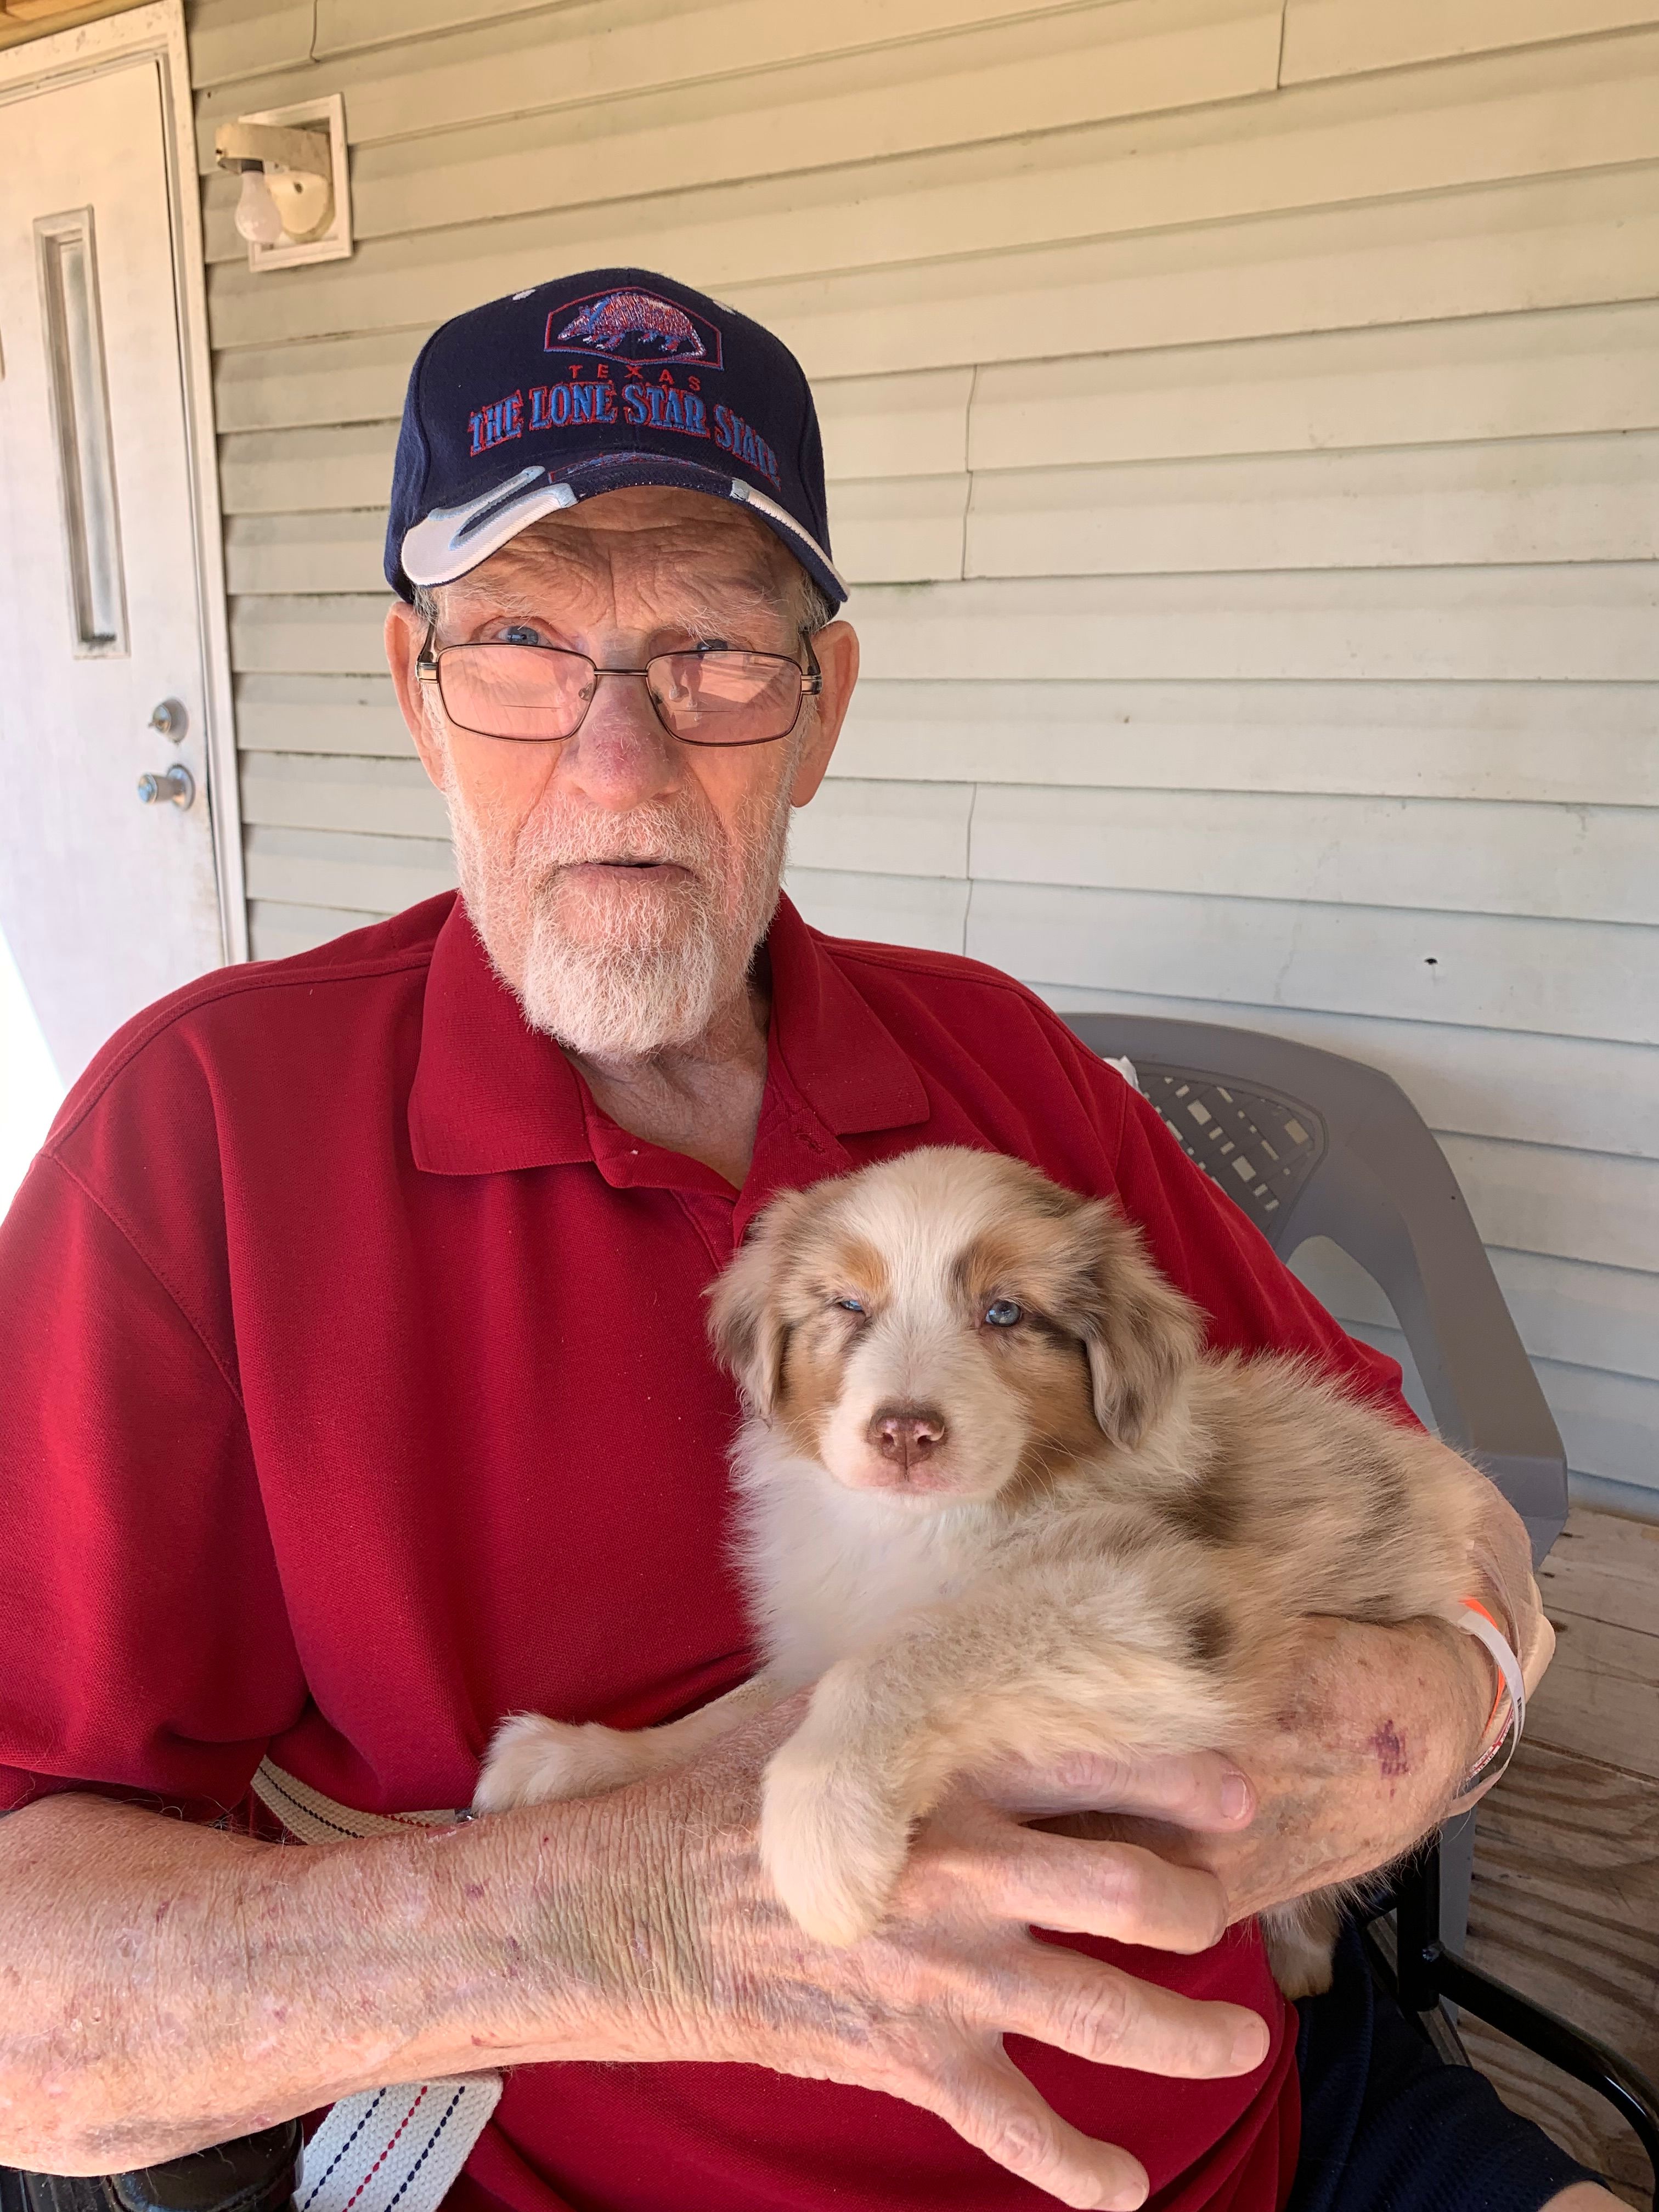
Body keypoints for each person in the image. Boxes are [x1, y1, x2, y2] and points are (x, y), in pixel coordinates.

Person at [0, 268, 1612, 2212]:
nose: (616, 757)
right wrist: (626, 1918)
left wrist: (1446, 1695)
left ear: (819, 710)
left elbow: (1428, 1507)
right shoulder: (198, 1134)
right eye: (521, 642)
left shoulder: (1000, 1061)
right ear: (419, 693)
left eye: (710, 654)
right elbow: (27, 2025)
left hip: (1262, 2131)